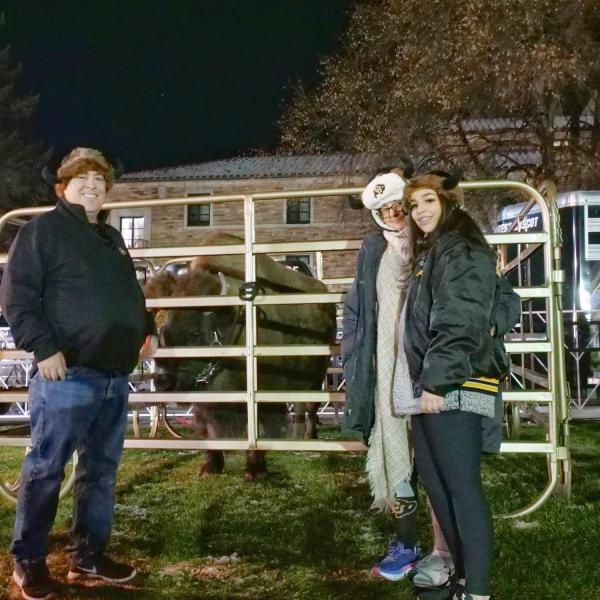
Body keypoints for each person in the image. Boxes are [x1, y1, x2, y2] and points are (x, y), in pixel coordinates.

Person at [0, 147, 158, 600]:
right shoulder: (41, 231)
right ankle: (27, 561)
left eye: (99, 179)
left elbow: (124, 293)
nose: (92, 185)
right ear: (61, 187)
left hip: (112, 374)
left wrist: (143, 327)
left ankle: (87, 556)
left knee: (100, 471)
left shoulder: (111, 238)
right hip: (65, 373)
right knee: (46, 468)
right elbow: (18, 297)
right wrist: (43, 348)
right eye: (81, 178)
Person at [397, 170, 520, 600]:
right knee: (438, 482)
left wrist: (437, 381)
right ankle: (465, 580)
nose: (420, 211)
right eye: (414, 205)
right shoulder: (442, 248)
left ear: (448, 202)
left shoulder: (460, 248)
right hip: (435, 384)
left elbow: (458, 321)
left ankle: (478, 591)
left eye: (428, 201)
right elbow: (504, 301)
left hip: (454, 384)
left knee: (462, 487)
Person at [342, 168, 453, 586]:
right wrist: (354, 355)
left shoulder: (437, 242)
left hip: (429, 364)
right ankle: (406, 543)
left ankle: (446, 548)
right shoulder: (373, 251)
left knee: (435, 454)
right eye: (384, 210)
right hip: (387, 366)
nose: (393, 215)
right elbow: (357, 309)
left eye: (397, 206)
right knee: (395, 450)